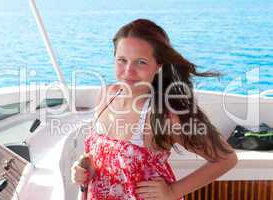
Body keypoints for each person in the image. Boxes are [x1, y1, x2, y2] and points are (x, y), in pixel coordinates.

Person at [71, 18, 238, 200]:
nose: (128, 71)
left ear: (158, 65)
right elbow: (103, 156)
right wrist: (84, 168)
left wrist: (173, 191)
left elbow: (226, 159)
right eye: (122, 60)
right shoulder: (105, 96)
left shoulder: (165, 115)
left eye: (140, 62)